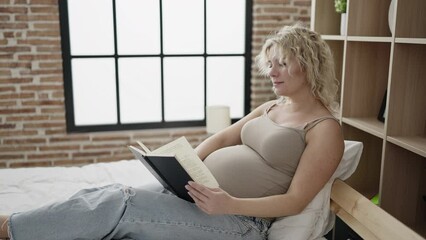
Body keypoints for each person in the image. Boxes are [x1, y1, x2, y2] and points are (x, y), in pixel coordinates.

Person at [0, 23, 344, 240]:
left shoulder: (324, 129)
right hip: (198, 194)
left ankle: (10, 229)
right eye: (269, 63)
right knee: (109, 194)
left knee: (121, 202)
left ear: (309, 63)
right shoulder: (272, 107)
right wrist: (185, 164)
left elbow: (296, 201)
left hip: (240, 221)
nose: (271, 72)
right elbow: (224, 137)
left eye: (281, 62)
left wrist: (228, 204)